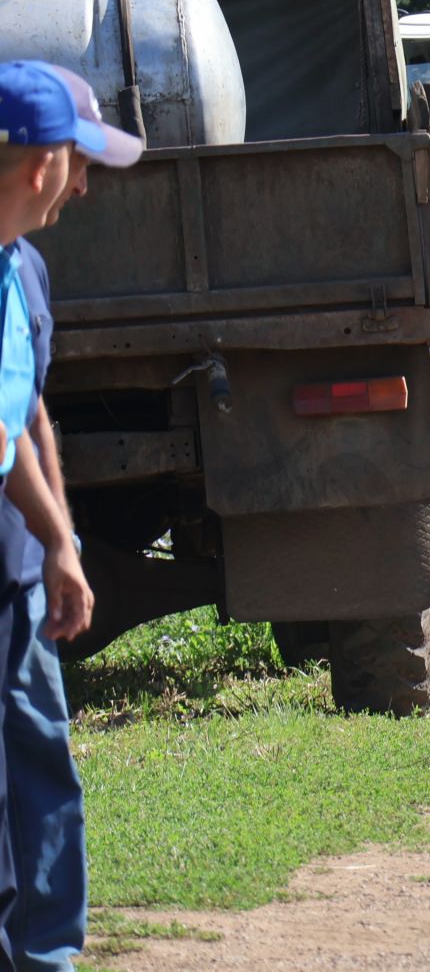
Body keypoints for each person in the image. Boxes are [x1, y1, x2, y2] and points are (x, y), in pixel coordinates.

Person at [0, 60, 139, 972]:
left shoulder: (25, 269)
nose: (87, 184)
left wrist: (64, 548)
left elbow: (31, 407)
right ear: (41, 160)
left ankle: (47, 957)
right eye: (81, 161)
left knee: (40, 767)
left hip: (13, 574)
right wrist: (56, 536)